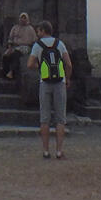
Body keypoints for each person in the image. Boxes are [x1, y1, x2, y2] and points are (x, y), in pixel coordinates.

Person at [28, 20, 73, 159]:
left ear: (42, 30)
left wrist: (42, 67)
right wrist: (68, 78)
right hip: (60, 82)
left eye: (38, 30)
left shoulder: (38, 45)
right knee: (60, 118)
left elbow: (30, 64)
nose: (37, 33)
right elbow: (69, 64)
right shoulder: (60, 44)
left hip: (45, 82)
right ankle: (59, 151)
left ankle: (46, 151)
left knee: (45, 118)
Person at [3, 12, 37, 80]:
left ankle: (11, 72)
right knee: (5, 56)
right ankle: (5, 73)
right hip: (14, 46)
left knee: (16, 55)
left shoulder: (30, 29)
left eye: (24, 18)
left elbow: (34, 40)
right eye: (21, 18)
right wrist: (9, 47)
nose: (23, 19)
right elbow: (10, 38)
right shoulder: (15, 27)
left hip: (25, 47)